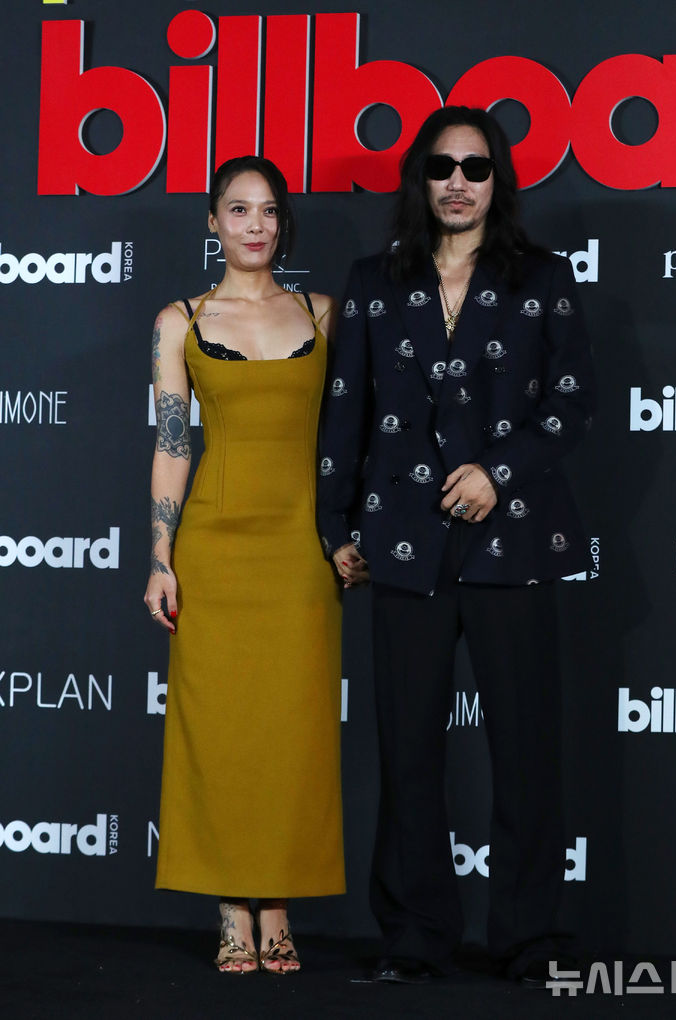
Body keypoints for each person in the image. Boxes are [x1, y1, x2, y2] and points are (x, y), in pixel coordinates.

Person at [317, 106, 594, 984]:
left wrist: (499, 473)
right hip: (402, 543)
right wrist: (336, 527)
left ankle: (530, 936)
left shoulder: (541, 277)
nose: (459, 182)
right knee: (407, 752)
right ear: (420, 178)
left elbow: (573, 400)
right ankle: (415, 934)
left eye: (475, 167)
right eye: (442, 166)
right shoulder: (373, 281)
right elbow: (346, 412)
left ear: (496, 179)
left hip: (515, 541)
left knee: (526, 750)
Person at [143, 156, 344, 975]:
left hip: (300, 551)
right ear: (213, 222)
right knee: (220, 730)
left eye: (267, 210)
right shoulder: (180, 321)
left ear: (282, 222)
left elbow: (352, 435)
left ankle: (279, 907)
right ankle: (232, 910)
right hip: (216, 550)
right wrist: (161, 557)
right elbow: (172, 444)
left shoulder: (324, 313)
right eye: (237, 209)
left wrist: (348, 536)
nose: (255, 224)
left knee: (293, 732)